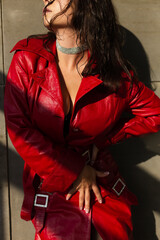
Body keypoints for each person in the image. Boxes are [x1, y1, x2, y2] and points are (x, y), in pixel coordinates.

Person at [4, 0, 160, 239]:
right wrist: (75, 170)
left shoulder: (113, 75)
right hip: (55, 188)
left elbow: (155, 114)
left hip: (103, 189)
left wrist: (104, 140)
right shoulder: (27, 60)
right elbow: (19, 129)